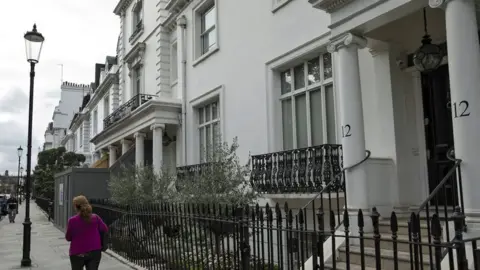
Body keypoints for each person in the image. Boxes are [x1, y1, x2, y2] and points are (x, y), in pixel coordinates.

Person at [66, 195, 108, 270]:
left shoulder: (72, 221)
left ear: (76, 206)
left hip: (77, 253)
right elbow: (104, 229)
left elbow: (68, 238)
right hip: (95, 251)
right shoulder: (95, 218)